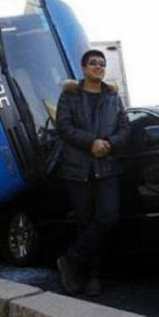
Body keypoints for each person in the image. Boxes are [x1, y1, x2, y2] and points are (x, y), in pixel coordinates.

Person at [55, 49, 130, 296]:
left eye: (101, 63)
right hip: (77, 169)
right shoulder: (70, 95)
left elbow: (124, 128)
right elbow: (63, 127)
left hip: (107, 167)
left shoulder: (112, 98)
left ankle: (72, 260)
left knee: (108, 217)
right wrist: (91, 142)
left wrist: (108, 142)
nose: (98, 66)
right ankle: (91, 276)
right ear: (84, 68)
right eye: (93, 63)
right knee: (85, 221)